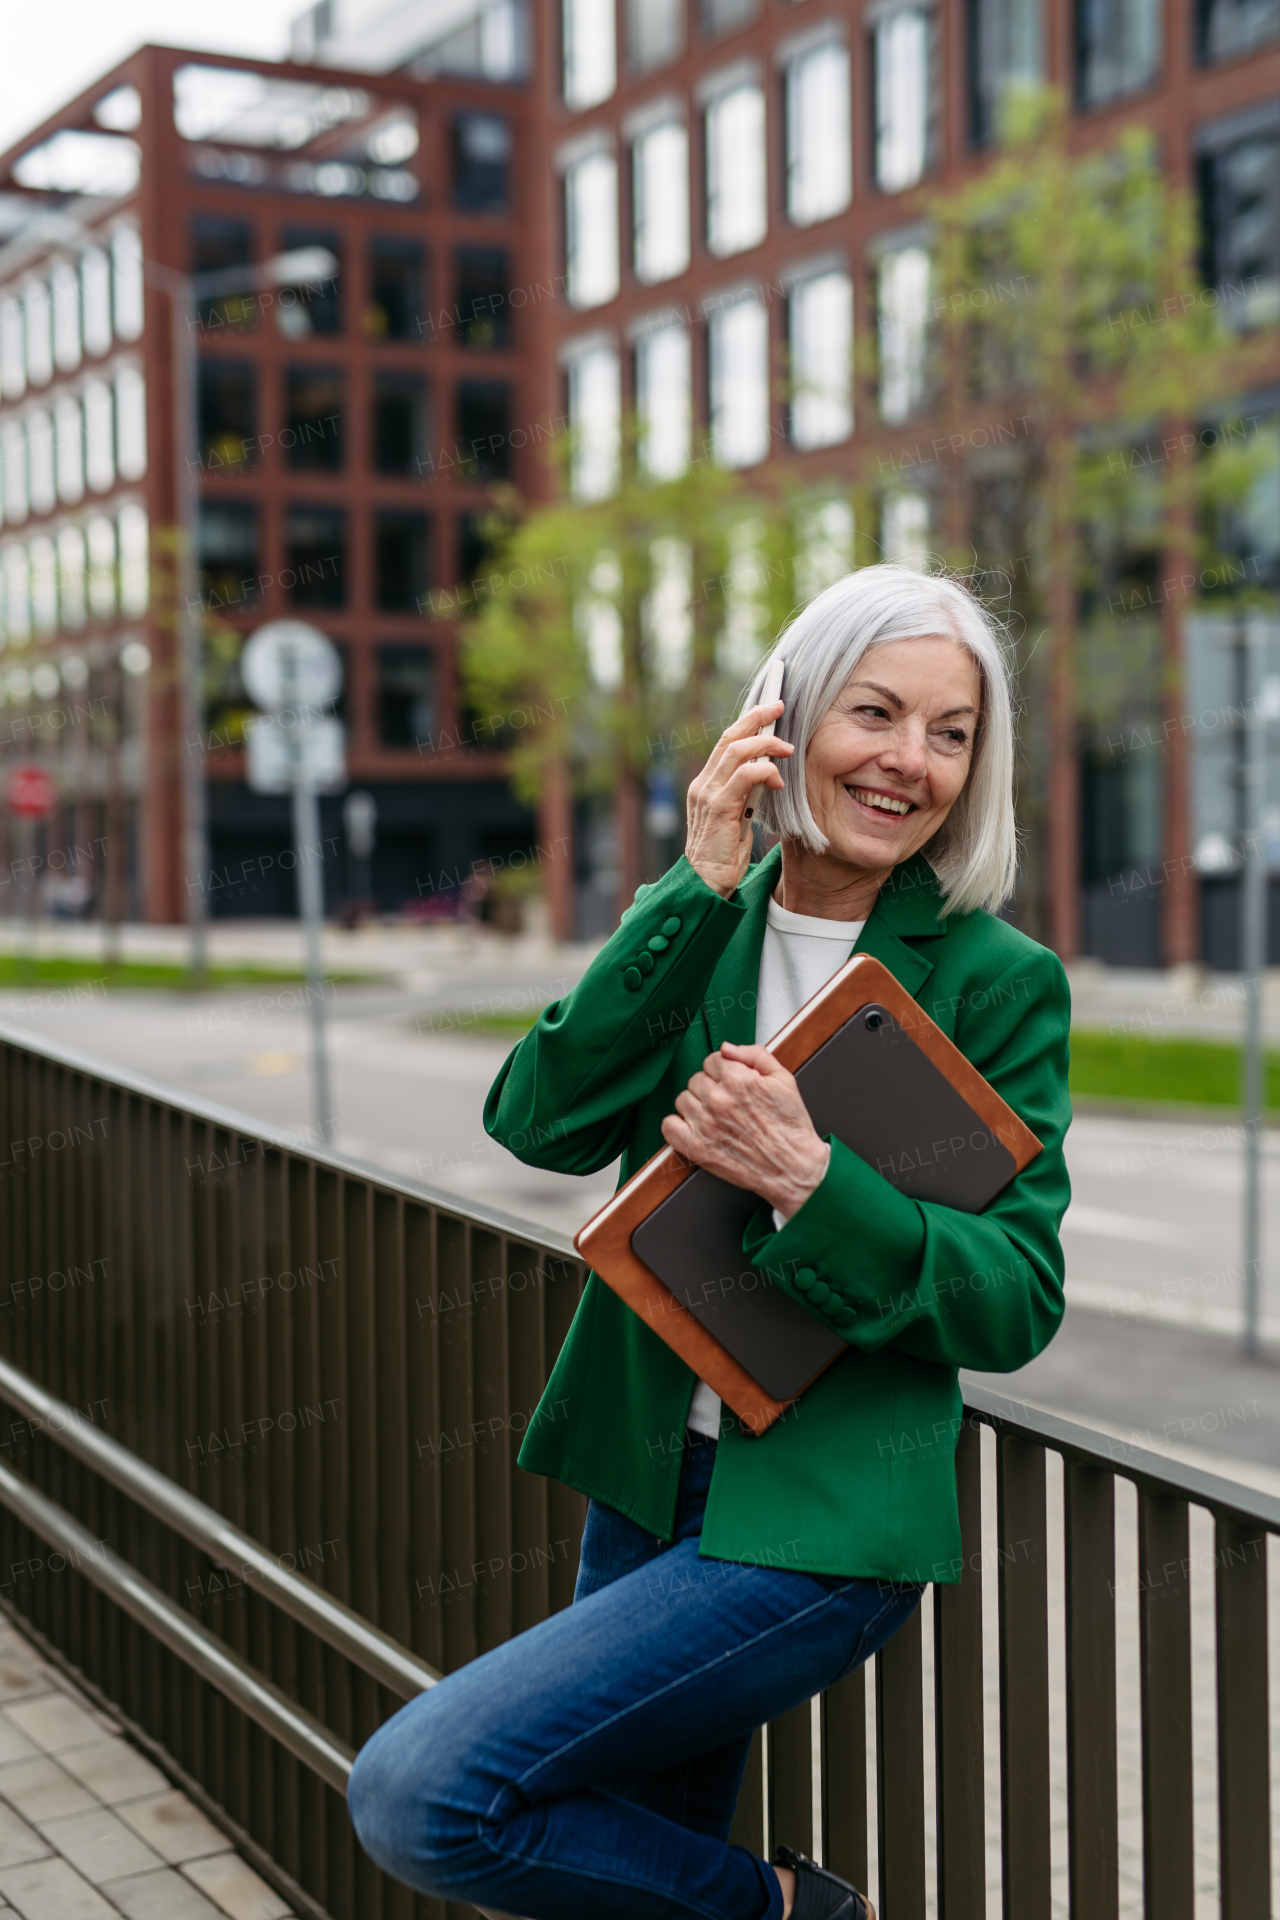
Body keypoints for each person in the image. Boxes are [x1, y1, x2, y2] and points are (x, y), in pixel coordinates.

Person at [348, 563, 1071, 1920]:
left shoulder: (996, 981)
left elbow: (1019, 1298)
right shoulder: (706, 919)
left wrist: (810, 1179)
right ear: (784, 719)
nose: (911, 762)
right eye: (877, 713)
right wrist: (692, 883)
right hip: (646, 1480)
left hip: (821, 1523)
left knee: (426, 1791)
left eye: (953, 733)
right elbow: (539, 1121)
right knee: (621, 1878)